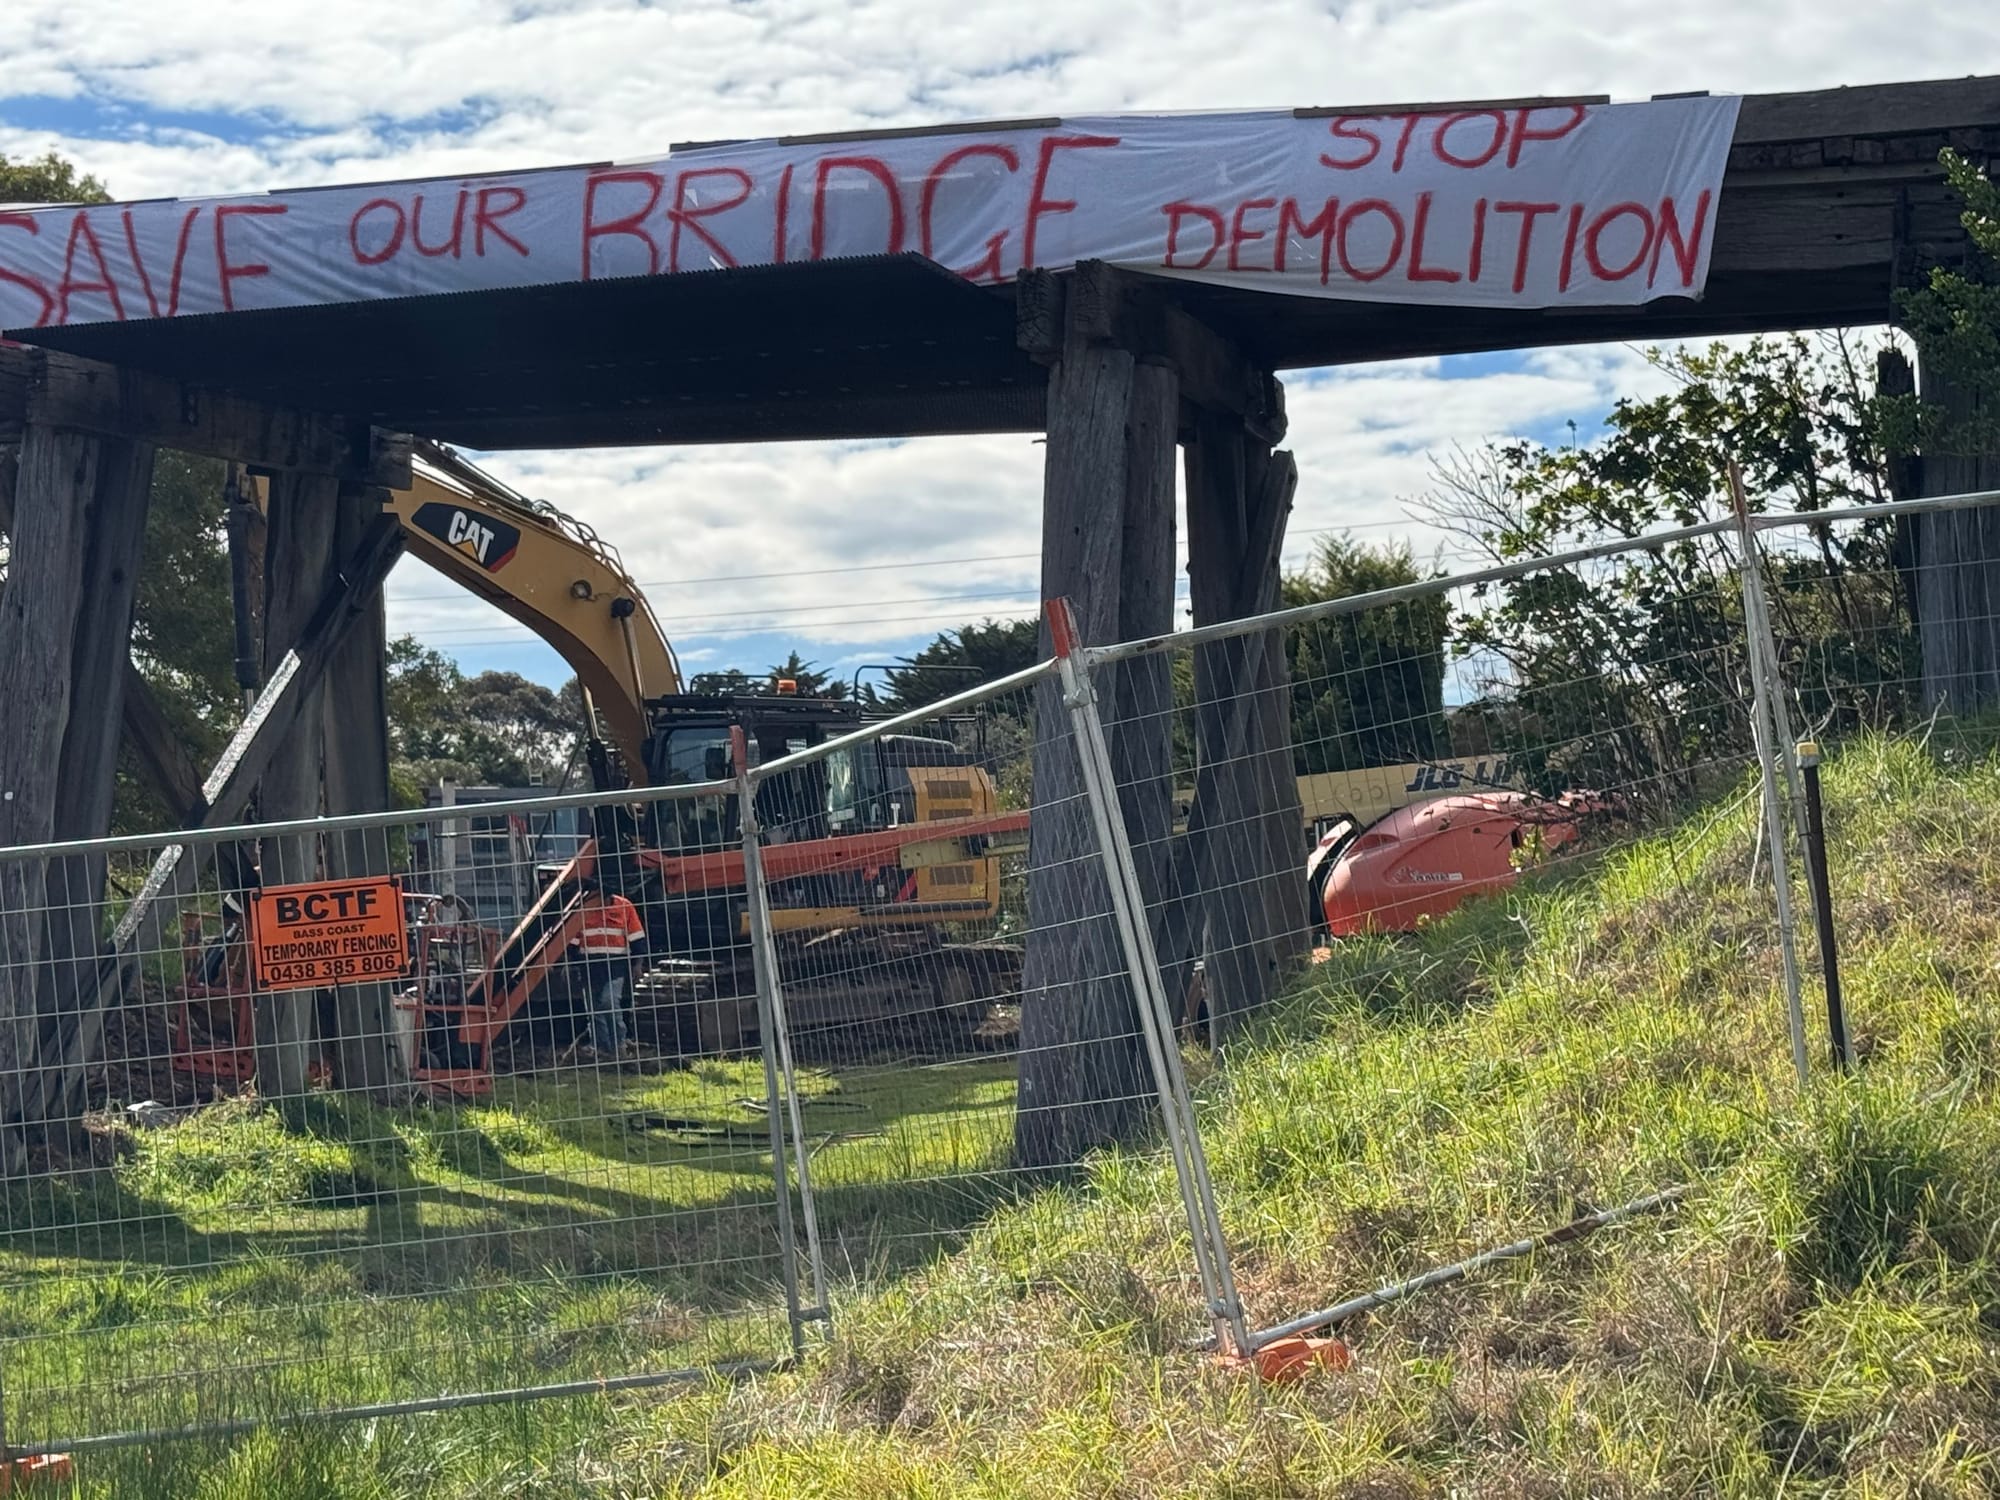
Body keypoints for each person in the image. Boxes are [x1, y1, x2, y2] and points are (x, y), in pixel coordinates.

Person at [573, 878, 647, 1061]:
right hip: (588, 966)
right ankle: (601, 1049)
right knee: (594, 1011)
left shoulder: (624, 906)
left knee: (608, 1002)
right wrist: (570, 965)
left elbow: (637, 938)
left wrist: (638, 964)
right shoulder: (582, 910)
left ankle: (619, 1044)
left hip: (615, 967)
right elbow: (572, 942)